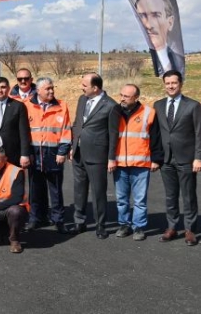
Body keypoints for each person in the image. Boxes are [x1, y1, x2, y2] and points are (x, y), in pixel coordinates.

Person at [154, 70, 201, 246]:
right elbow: (156, 134)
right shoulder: (158, 105)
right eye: (167, 83)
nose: (171, 86)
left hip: (187, 159)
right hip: (166, 160)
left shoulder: (193, 106)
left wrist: (198, 157)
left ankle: (189, 230)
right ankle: (172, 227)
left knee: (188, 196)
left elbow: (199, 134)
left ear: (181, 84)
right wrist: (156, 157)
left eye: (174, 83)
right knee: (170, 196)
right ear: (164, 85)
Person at [71, 73, 120, 239]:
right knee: (79, 190)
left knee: (98, 192)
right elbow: (78, 123)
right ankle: (80, 221)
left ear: (95, 88)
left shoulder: (111, 106)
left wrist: (111, 158)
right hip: (78, 153)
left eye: (84, 85)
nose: (81, 87)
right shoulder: (82, 99)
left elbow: (113, 134)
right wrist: (73, 144)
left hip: (97, 155)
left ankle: (101, 225)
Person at [114, 84, 164, 241]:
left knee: (139, 199)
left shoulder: (149, 113)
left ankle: (139, 227)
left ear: (136, 98)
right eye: (121, 94)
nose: (122, 98)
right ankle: (124, 224)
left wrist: (156, 160)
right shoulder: (114, 112)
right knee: (121, 198)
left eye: (126, 96)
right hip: (120, 164)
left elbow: (156, 138)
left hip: (141, 165)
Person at [24, 77, 72, 234]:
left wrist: (62, 151)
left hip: (53, 155)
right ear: (38, 90)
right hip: (35, 155)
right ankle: (35, 218)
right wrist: (27, 153)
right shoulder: (27, 106)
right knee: (35, 189)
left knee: (56, 190)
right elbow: (24, 133)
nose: (51, 91)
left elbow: (65, 131)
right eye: (48, 89)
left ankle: (58, 220)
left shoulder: (61, 106)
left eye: (52, 88)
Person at [134, 0, 185, 77]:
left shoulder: (179, 62)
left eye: (156, 15)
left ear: (170, 22)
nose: (148, 25)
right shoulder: (139, 60)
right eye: (142, 16)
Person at [0, 76, 31, 169]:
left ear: (8, 88)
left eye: (3, 87)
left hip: (13, 153)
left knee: (14, 181)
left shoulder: (18, 106)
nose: (0, 90)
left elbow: (24, 132)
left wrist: (24, 154)